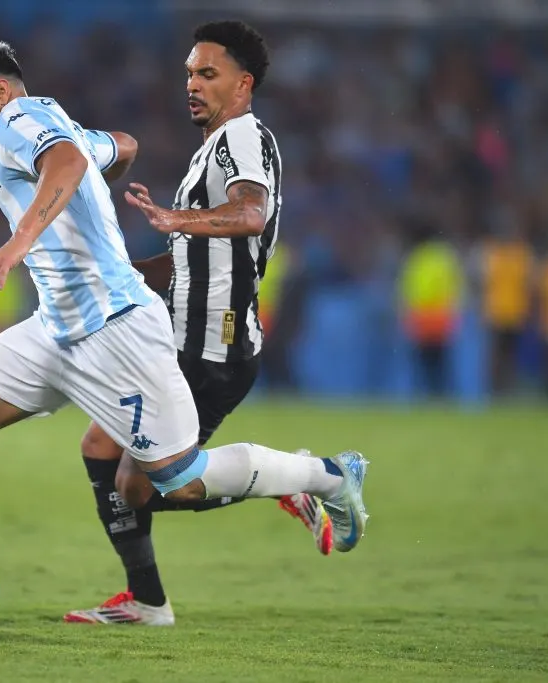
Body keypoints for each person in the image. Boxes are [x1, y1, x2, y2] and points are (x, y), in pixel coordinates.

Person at [0, 41, 369, 607]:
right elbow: (119, 146)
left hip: (117, 327)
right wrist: (94, 176)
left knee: (181, 479)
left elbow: (69, 161)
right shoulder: (45, 122)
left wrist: (19, 242)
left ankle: (326, 477)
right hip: (57, 326)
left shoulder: (19, 119)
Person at [65, 21, 332, 627]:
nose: (192, 83)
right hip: (180, 337)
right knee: (101, 448)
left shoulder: (242, 137)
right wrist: (119, 272)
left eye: (206, 74)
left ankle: (298, 476)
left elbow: (251, 213)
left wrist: (175, 216)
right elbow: (192, 255)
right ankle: (147, 600)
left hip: (216, 344)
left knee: (144, 485)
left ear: (243, 84)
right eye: (188, 72)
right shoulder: (212, 146)